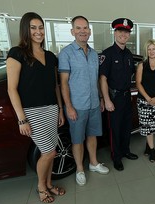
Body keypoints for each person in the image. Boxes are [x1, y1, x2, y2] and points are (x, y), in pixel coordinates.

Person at [6, 12, 65, 203]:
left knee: (51, 151)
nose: (38, 31)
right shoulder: (17, 53)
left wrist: (60, 109)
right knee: (49, 152)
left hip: (51, 109)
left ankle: (48, 184)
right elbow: (12, 89)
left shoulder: (50, 56)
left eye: (40, 27)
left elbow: (55, 85)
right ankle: (41, 186)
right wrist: (21, 119)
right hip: (33, 112)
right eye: (33, 28)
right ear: (25, 29)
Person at [58, 16, 109, 186]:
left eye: (85, 28)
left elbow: (96, 79)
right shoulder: (66, 53)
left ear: (89, 31)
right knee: (77, 139)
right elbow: (63, 83)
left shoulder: (95, 54)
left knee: (92, 135)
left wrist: (101, 98)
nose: (82, 31)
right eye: (78, 28)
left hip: (94, 103)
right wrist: (69, 106)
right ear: (72, 31)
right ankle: (80, 168)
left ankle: (93, 163)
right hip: (76, 106)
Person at [99, 18, 138, 171]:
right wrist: (107, 100)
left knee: (126, 126)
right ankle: (116, 157)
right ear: (115, 33)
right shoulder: (107, 54)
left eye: (126, 32)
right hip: (113, 98)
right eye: (120, 31)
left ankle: (126, 151)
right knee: (115, 129)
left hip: (127, 97)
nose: (123, 34)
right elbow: (102, 79)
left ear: (129, 35)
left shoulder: (129, 54)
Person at [135, 39, 155, 162]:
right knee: (146, 125)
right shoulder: (141, 65)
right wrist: (148, 98)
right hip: (144, 101)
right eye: (149, 49)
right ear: (146, 51)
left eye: (154, 49)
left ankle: (148, 146)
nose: (151, 51)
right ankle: (152, 150)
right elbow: (138, 83)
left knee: (153, 125)